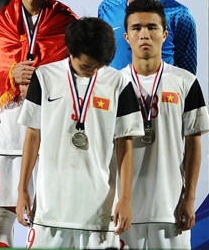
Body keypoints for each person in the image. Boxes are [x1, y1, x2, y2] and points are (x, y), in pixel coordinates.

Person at [16, 17, 143, 249]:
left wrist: (125, 199)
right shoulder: (44, 78)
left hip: (98, 213)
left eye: (98, 66)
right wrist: (23, 189)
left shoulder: (119, 84)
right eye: (87, 66)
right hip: (50, 210)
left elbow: (124, 145)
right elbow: (33, 137)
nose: (93, 71)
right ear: (70, 52)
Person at [0, 0, 77, 247]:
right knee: (1, 218)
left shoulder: (67, 22)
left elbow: (76, 71)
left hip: (50, 132)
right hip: (9, 134)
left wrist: (41, 78)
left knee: (49, 216)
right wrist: (11, 74)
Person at [119, 0, 208, 249]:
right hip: (122, 211)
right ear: (126, 36)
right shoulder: (111, 84)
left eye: (152, 27)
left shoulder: (186, 82)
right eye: (136, 28)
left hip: (170, 211)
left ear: (165, 34)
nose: (144, 34)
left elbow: (194, 144)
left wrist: (189, 199)